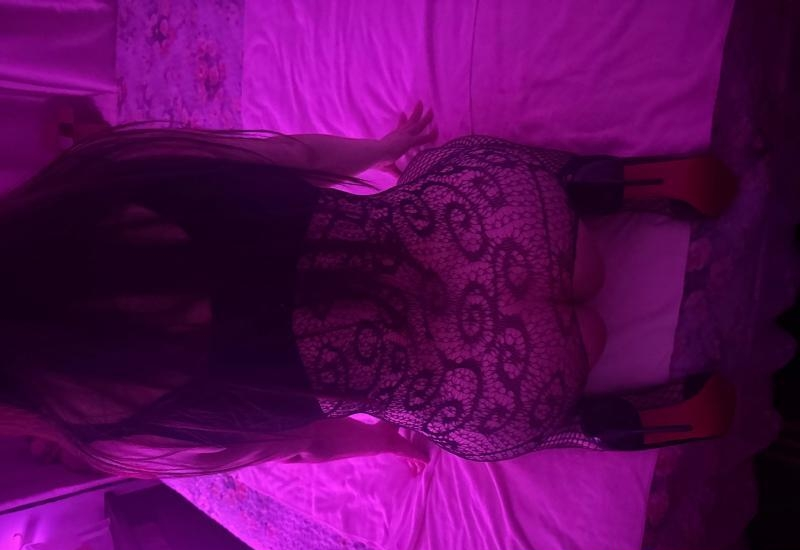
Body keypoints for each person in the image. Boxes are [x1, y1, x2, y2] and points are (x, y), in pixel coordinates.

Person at [0, 100, 736, 478]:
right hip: (512, 225)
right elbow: (295, 155)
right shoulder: (95, 187)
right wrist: (388, 148)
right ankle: (623, 184)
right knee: (455, 172)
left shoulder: (100, 424)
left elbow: (303, 444)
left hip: (510, 378)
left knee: (500, 430)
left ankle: (628, 422)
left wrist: (387, 442)